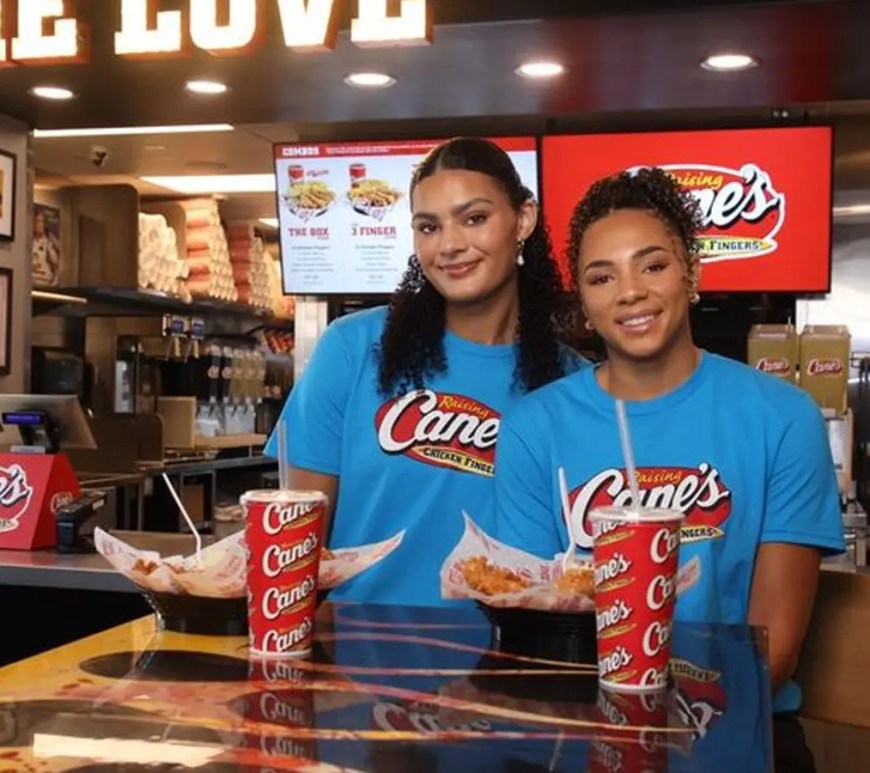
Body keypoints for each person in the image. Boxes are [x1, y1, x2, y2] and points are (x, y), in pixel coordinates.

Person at [492, 167, 843, 771]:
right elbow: (535, 632)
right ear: (584, 302)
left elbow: (774, 651)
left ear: (692, 273)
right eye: (602, 277)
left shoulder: (783, 418)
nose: (629, 292)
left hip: (739, 722)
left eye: (652, 266)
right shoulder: (532, 427)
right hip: (583, 727)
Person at [266, 137, 582, 607]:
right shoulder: (353, 348)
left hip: (515, 648)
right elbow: (294, 547)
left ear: (524, 219)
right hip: (358, 645)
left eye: (474, 218)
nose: (450, 245)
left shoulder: (572, 382)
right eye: (429, 227)